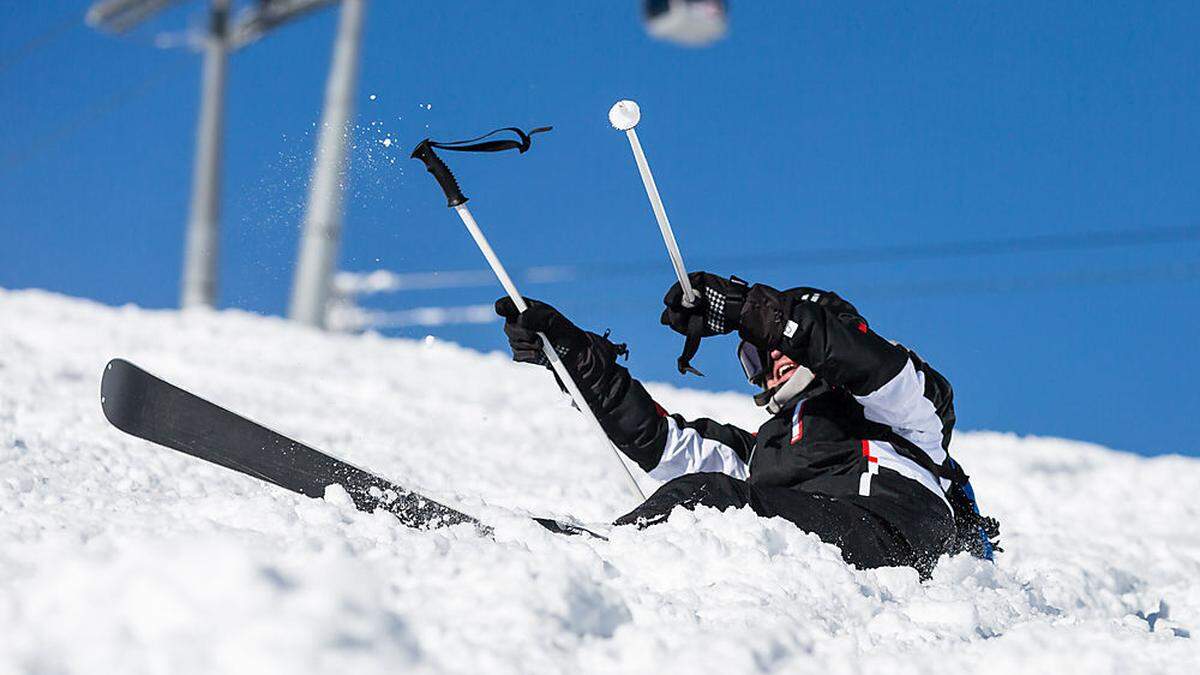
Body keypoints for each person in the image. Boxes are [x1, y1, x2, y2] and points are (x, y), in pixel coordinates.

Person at [495, 272, 998, 577]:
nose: (772, 362)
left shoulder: (901, 412)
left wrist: (748, 311)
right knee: (704, 495)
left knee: (712, 498)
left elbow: (865, 362)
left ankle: (604, 558)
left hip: (895, 537)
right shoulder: (764, 448)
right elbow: (665, 444)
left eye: (778, 346)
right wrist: (577, 358)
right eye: (755, 357)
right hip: (804, 537)